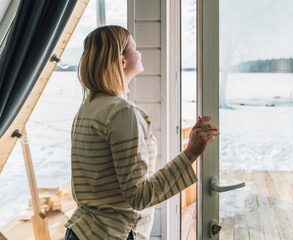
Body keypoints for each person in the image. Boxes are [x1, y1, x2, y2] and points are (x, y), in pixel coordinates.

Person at [63, 25, 220, 240]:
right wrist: (190, 153)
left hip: (83, 231)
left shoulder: (88, 107)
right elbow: (139, 196)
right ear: (122, 61)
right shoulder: (123, 113)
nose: (140, 52)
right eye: (134, 48)